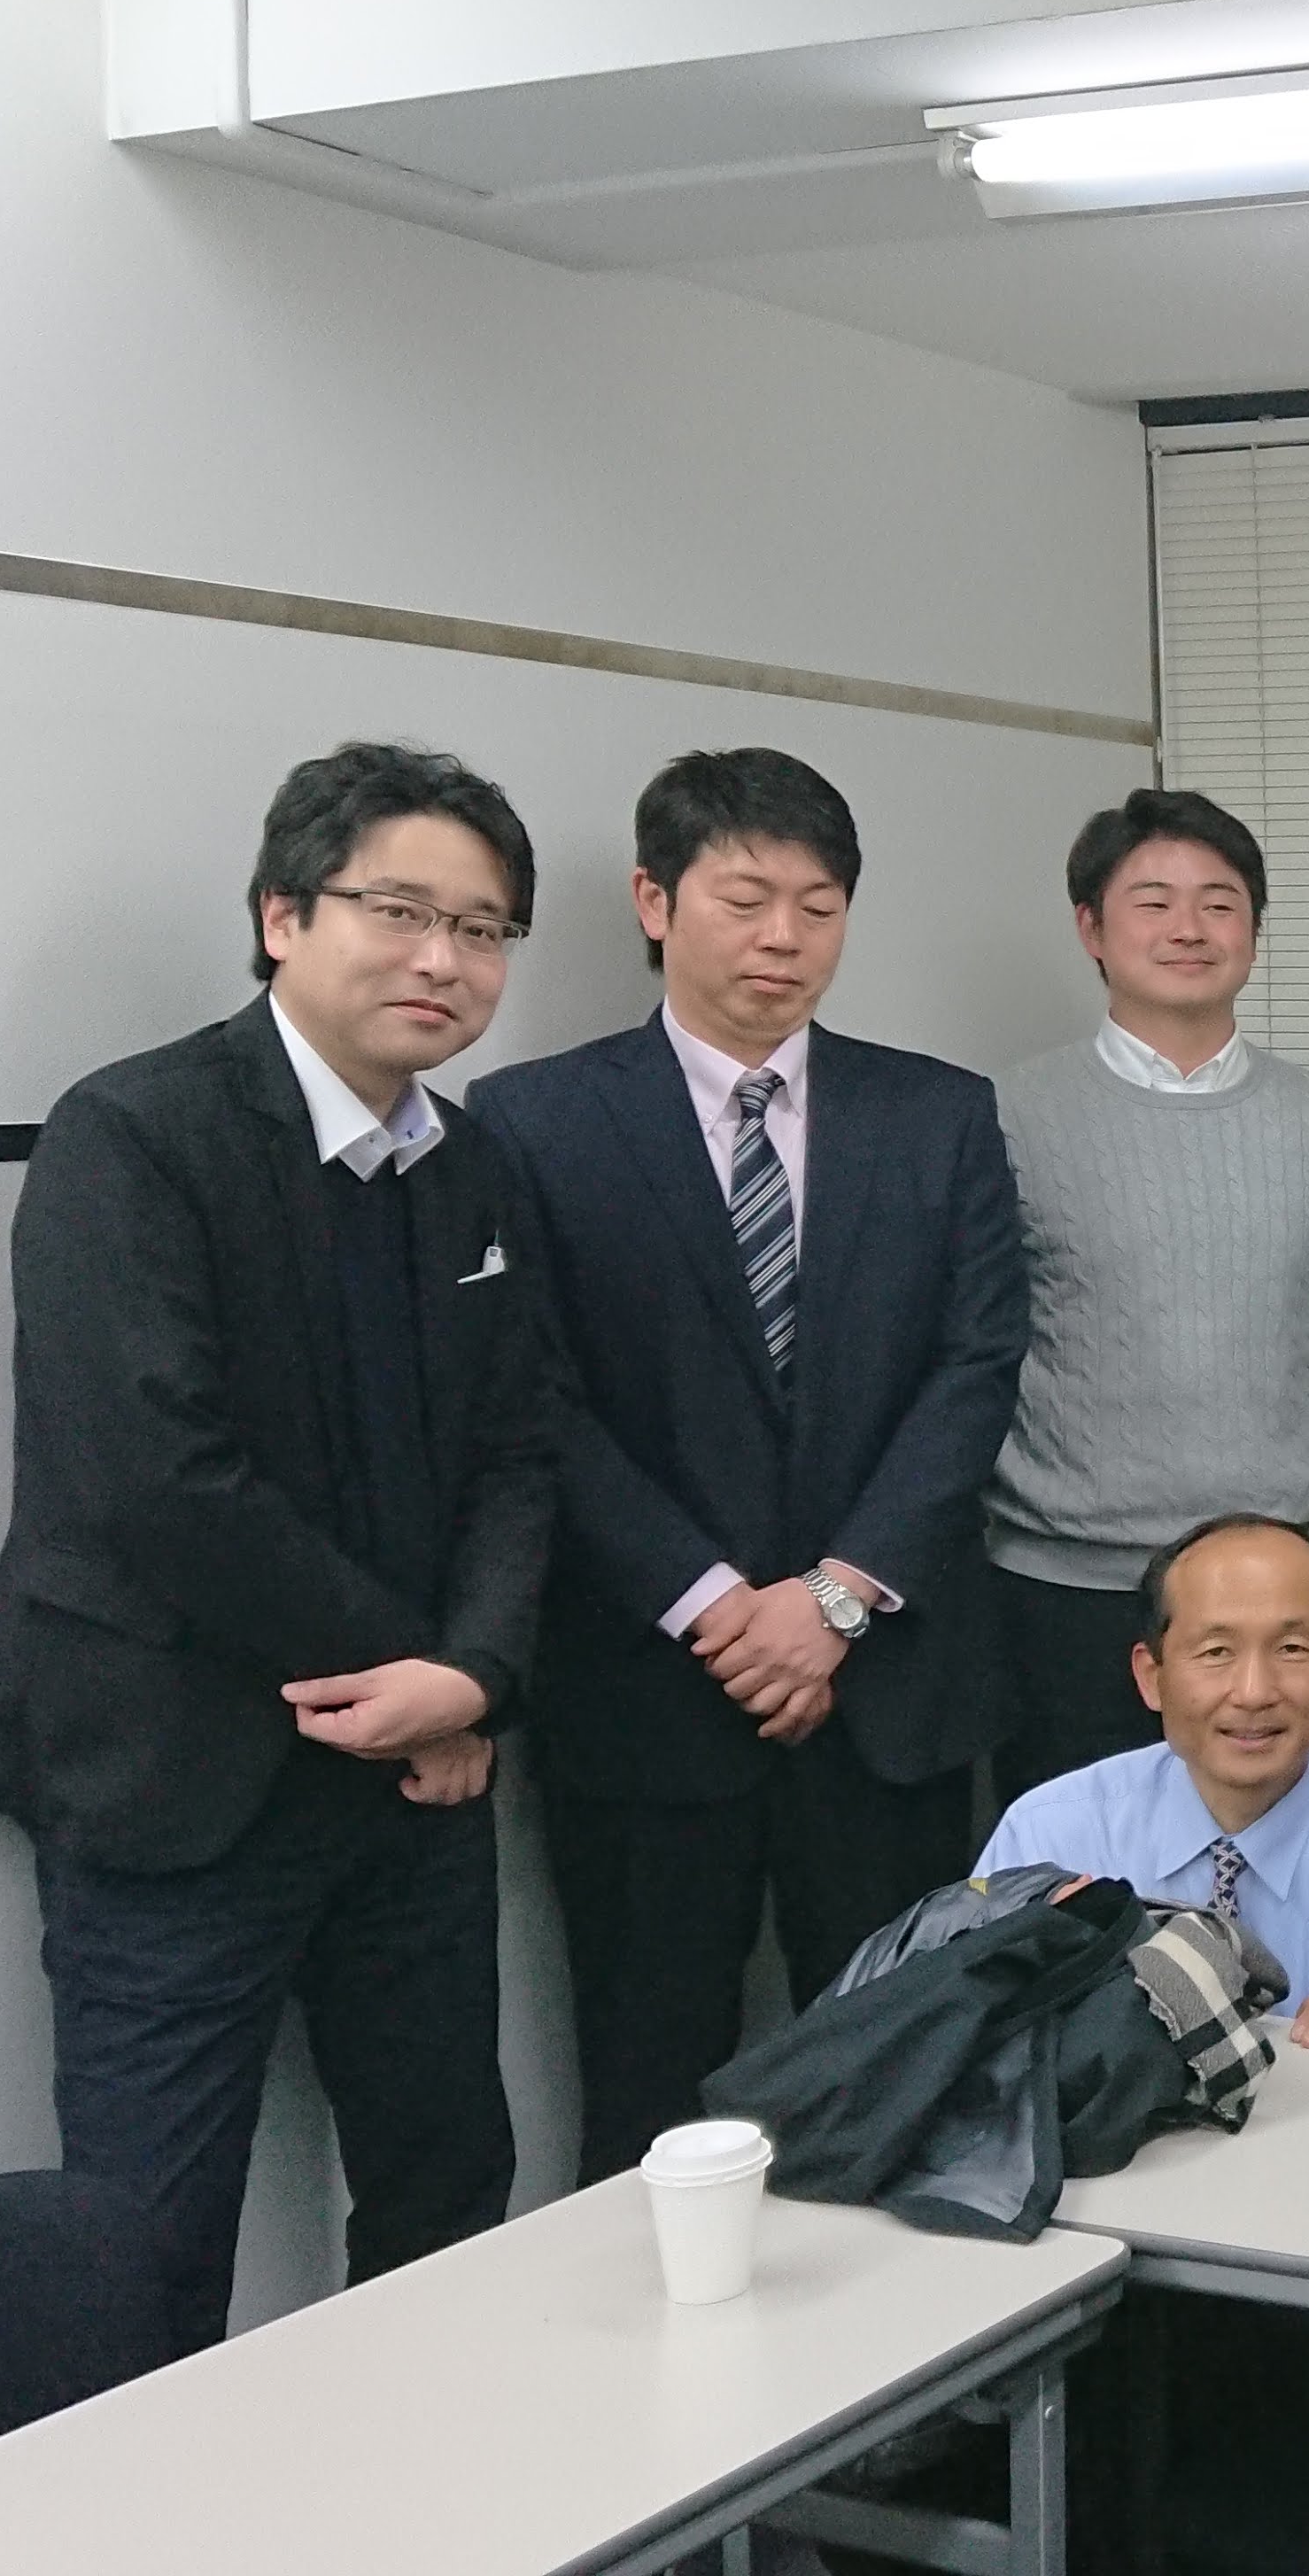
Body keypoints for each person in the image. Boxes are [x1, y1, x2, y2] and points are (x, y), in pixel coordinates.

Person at [0, 743, 551, 2350]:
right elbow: (156, 1480)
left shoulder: (472, 1166)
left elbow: (517, 1453)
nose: (442, 959)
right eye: (399, 911)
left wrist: (473, 1676)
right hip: (176, 1784)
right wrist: (418, 1677)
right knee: (141, 2256)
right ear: (283, 916)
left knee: (445, 2205)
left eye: (481, 930)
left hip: (416, 1791)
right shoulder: (135, 1135)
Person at [469, 749, 1030, 2179]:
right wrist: (717, 1603)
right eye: (745, 899)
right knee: (648, 2090)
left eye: (819, 906)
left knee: (902, 2081)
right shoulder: (533, 1121)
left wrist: (834, 1599)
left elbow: (977, 1365)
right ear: (654, 901)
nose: (784, 938)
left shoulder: (940, 1112)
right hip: (650, 1691)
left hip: (887, 1688)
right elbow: (534, 1396)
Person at [984, 790, 1309, 1794]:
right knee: (1072, 1875)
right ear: (1091, 929)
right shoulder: (1004, 1118)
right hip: (1065, 1587)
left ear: (1253, 929)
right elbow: (979, 1339)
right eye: (1153, 902)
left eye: (1219, 902)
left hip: (1272, 1584)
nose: (1189, 928)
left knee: (1271, 1862)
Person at [978, 1514, 1309, 2045]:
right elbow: (980, 2044)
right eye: (1216, 1652)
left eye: (1292, 1648)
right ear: (1151, 1676)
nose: (1254, 1692)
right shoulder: (1048, 1837)